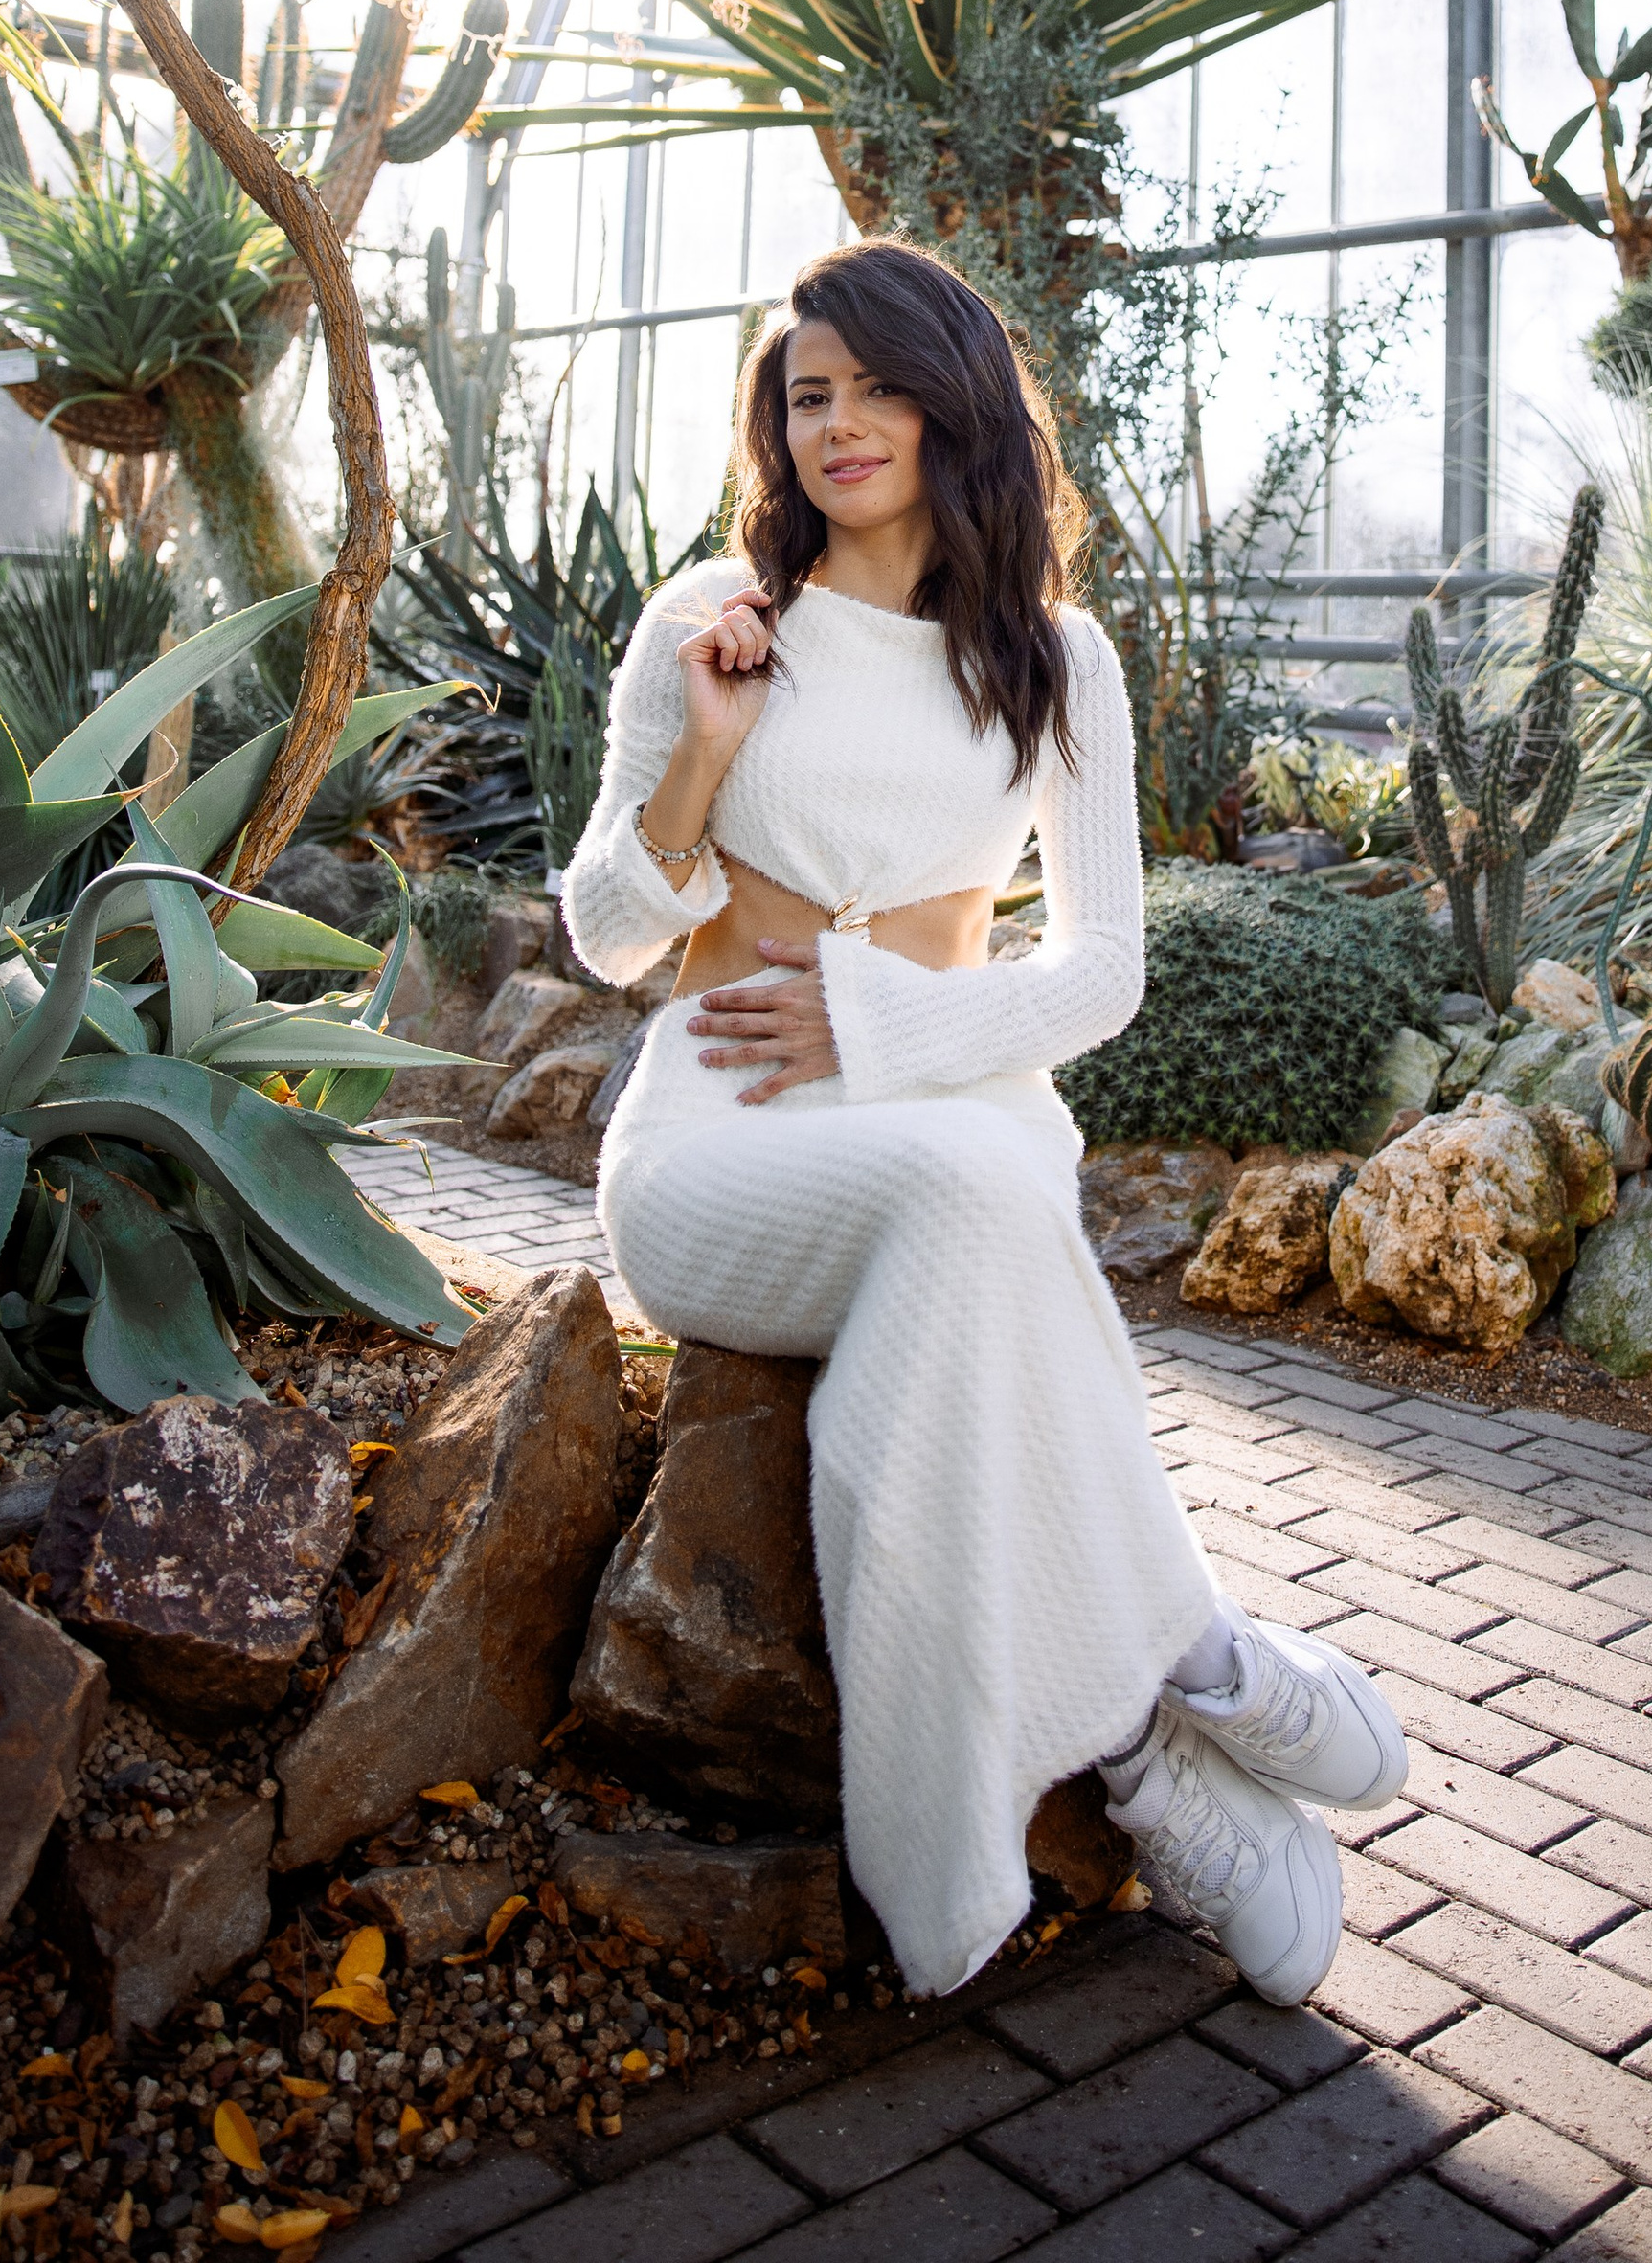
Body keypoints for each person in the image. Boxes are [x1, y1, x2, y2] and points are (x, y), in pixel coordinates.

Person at [562, 238, 1406, 2004]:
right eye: (808, 395)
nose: (841, 424)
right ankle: (1186, 1675)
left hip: (954, 1121)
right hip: (714, 1142)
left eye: (877, 385)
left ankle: (1133, 1763)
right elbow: (609, 937)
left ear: (958, 402)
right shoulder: (711, 621)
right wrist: (707, 751)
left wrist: (875, 1021)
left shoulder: (1054, 659)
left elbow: (1101, 975)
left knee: (966, 1219)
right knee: (976, 1197)